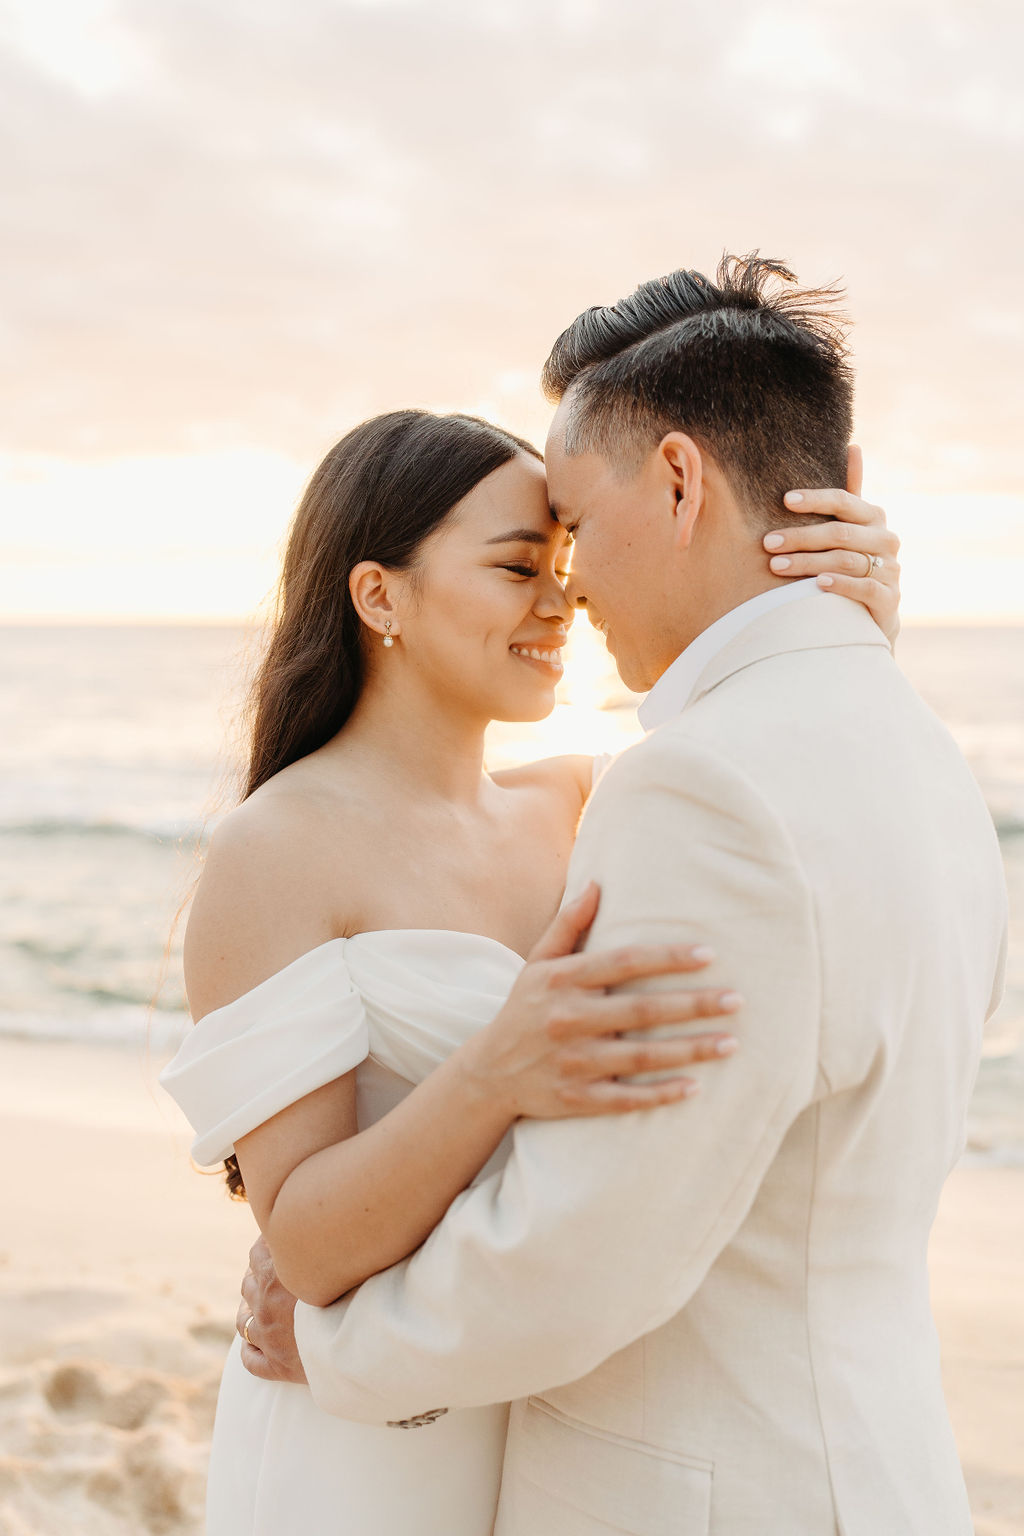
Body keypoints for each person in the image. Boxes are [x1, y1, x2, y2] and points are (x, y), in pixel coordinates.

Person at [235, 256, 1007, 1536]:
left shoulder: (703, 791)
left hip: (704, 1490)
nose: (571, 584)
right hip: (875, 1463)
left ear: (678, 480)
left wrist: (335, 1348)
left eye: (577, 528)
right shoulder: (914, 749)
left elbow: (583, 1251)